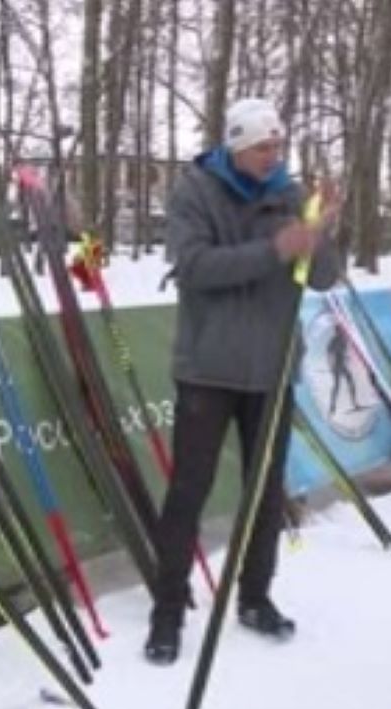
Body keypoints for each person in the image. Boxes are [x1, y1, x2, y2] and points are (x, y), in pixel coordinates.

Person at [145, 98, 341, 665]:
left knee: (265, 488)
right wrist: (274, 249)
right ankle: (167, 608)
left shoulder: (289, 193)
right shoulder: (196, 191)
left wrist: (321, 230)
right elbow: (195, 268)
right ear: (236, 146)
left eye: (279, 146)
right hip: (209, 367)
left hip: (272, 366)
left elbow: (324, 276)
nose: (274, 157)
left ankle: (255, 597)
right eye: (263, 147)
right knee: (190, 490)